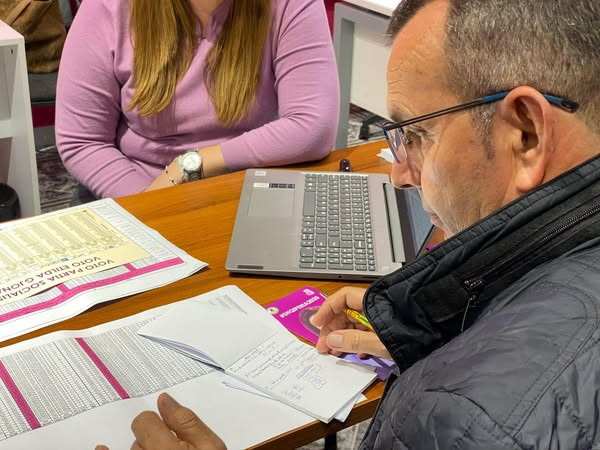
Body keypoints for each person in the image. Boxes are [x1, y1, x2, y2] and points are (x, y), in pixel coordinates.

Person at [97, 0, 600, 448]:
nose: (399, 174)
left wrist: (453, 365)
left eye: (416, 135)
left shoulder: (457, 418)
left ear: (526, 134)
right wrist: (449, 336)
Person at [55, 0, 339, 199]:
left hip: (248, 189)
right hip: (137, 188)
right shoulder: (109, 7)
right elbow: (83, 141)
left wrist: (190, 166)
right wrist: (149, 202)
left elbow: (312, 124)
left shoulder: (289, 5)